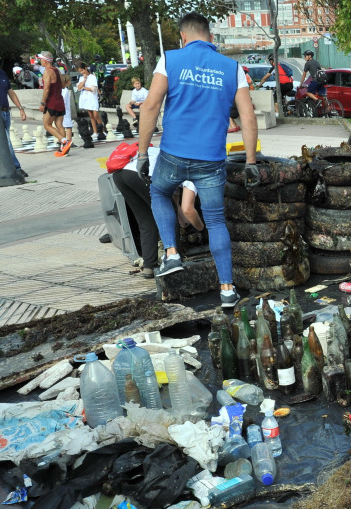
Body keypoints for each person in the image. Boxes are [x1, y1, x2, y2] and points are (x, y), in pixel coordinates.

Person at [137, 11, 258, 309]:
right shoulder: (233, 68)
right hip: (211, 160)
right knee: (216, 220)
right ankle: (227, 290)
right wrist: (251, 161)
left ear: (183, 37)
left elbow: (151, 106)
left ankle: (172, 254)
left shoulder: (171, 59)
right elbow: (247, 115)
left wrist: (142, 153)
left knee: (159, 191)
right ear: (211, 38)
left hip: (173, 155)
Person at [113, 145, 199, 277]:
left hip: (121, 175)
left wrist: (186, 226)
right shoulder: (194, 170)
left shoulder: (176, 156)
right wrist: (200, 228)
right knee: (168, 214)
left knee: (146, 220)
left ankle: (149, 266)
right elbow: (187, 209)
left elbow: (177, 206)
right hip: (141, 174)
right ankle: (174, 259)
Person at [37, 51, 71, 157]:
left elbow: (46, 89)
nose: (39, 61)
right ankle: (63, 149)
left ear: (44, 60)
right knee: (59, 124)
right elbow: (61, 85)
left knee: (46, 124)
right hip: (60, 100)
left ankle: (64, 141)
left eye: (40, 59)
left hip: (52, 102)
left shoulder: (47, 72)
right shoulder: (57, 70)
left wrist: (43, 103)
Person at [76, 61, 103, 142]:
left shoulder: (92, 77)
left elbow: (93, 89)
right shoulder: (81, 78)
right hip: (85, 98)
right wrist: (84, 81)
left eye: (82, 70)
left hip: (92, 98)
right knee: (91, 116)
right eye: (80, 71)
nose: (81, 72)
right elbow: (78, 88)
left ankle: (102, 130)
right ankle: (95, 131)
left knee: (96, 115)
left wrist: (84, 87)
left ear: (85, 68)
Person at [298, 50, 326, 115]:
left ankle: (317, 100)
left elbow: (304, 74)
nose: (305, 57)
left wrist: (301, 84)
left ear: (310, 56)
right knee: (322, 95)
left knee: (308, 92)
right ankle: (328, 107)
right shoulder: (316, 62)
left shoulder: (307, 63)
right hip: (322, 80)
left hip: (316, 80)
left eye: (305, 56)